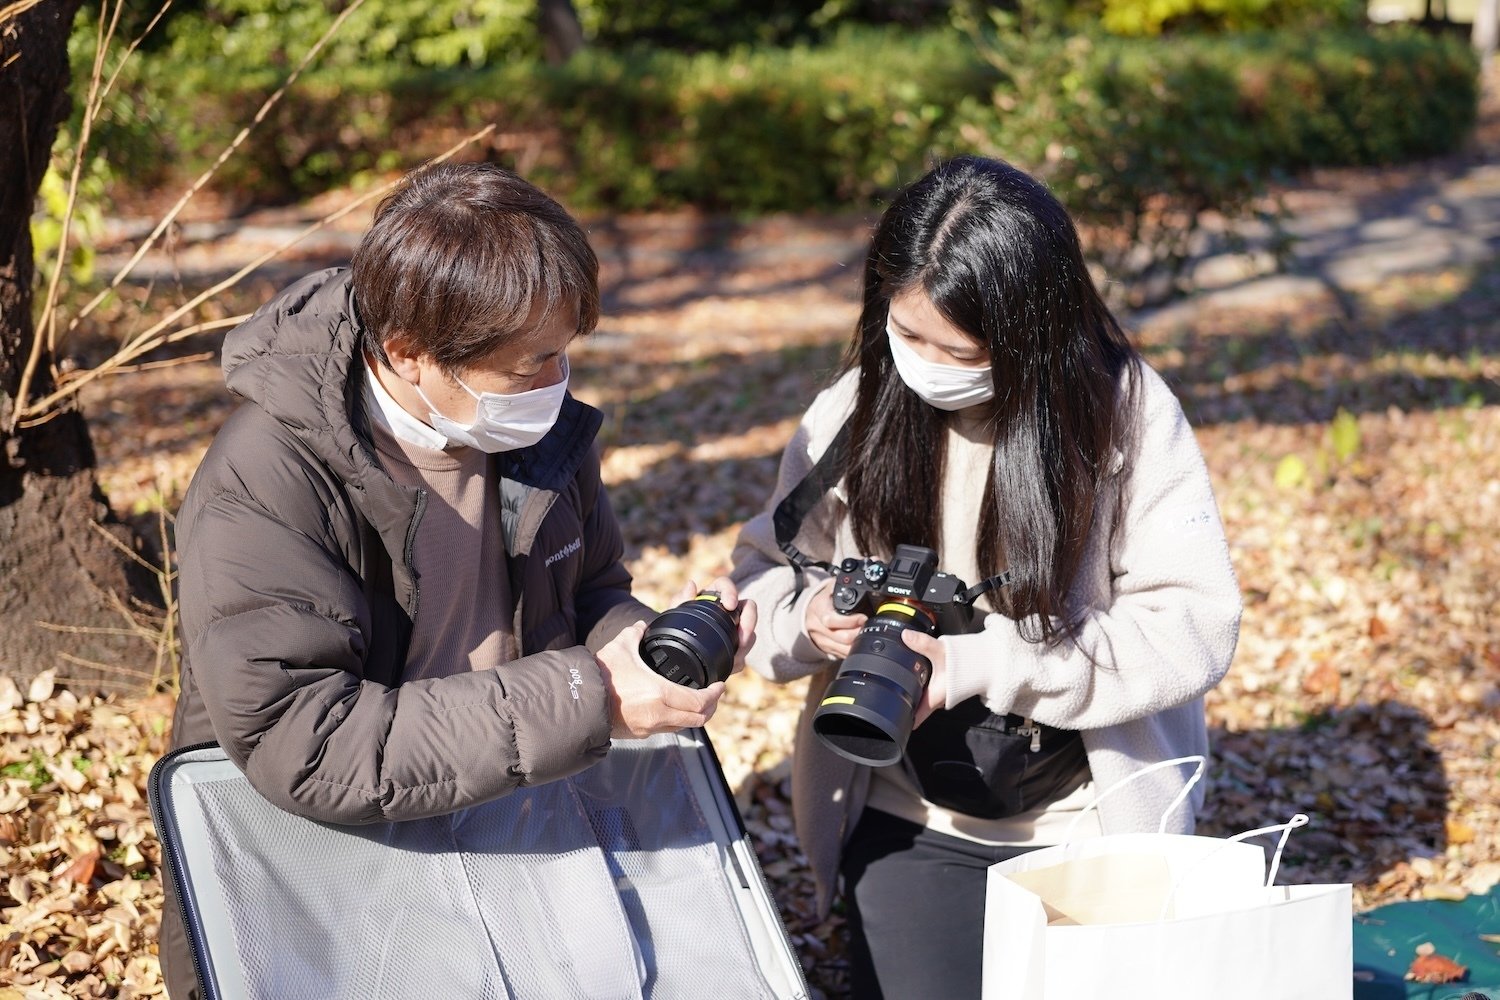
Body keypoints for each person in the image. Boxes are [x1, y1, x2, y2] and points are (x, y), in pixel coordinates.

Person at [160, 161, 756, 998]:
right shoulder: (270, 474)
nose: (558, 385)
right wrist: (596, 699)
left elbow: (590, 591)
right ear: (407, 351)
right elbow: (306, 742)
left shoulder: (541, 436)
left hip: (507, 828)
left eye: (565, 354)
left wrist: (638, 647)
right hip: (326, 877)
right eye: (531, 365)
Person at [730, 156, 1241, 999]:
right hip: (907, 811)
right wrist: (809, 618)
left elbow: (1193, 626)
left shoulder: (1126, 417)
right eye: (908, 334)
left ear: (1034, 334)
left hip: (1086, 821)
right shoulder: (854, 411)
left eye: (957, 349)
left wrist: (979, 664)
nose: (925, 365)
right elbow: (758, 579)